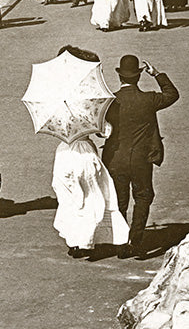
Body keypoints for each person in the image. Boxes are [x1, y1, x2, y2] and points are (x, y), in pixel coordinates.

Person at [50, 46, 130, 257]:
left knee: (70, 199)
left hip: (64, 153)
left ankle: (75, 242)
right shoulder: (88, 101)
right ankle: (89, 240)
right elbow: (105, 131)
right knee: (92, 198)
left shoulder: (57, 97)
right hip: (85, 154)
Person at [102, 55, 179, 256]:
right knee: (143, 196)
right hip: (141, 159)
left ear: (120, 76)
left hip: (115, 158)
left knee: (118, 200)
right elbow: (172, 94)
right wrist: (157, 74)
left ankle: (120, 242)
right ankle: (135, 241)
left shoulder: (110, 101)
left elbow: (100, 126)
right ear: (138, 76)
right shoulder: (149, 99)